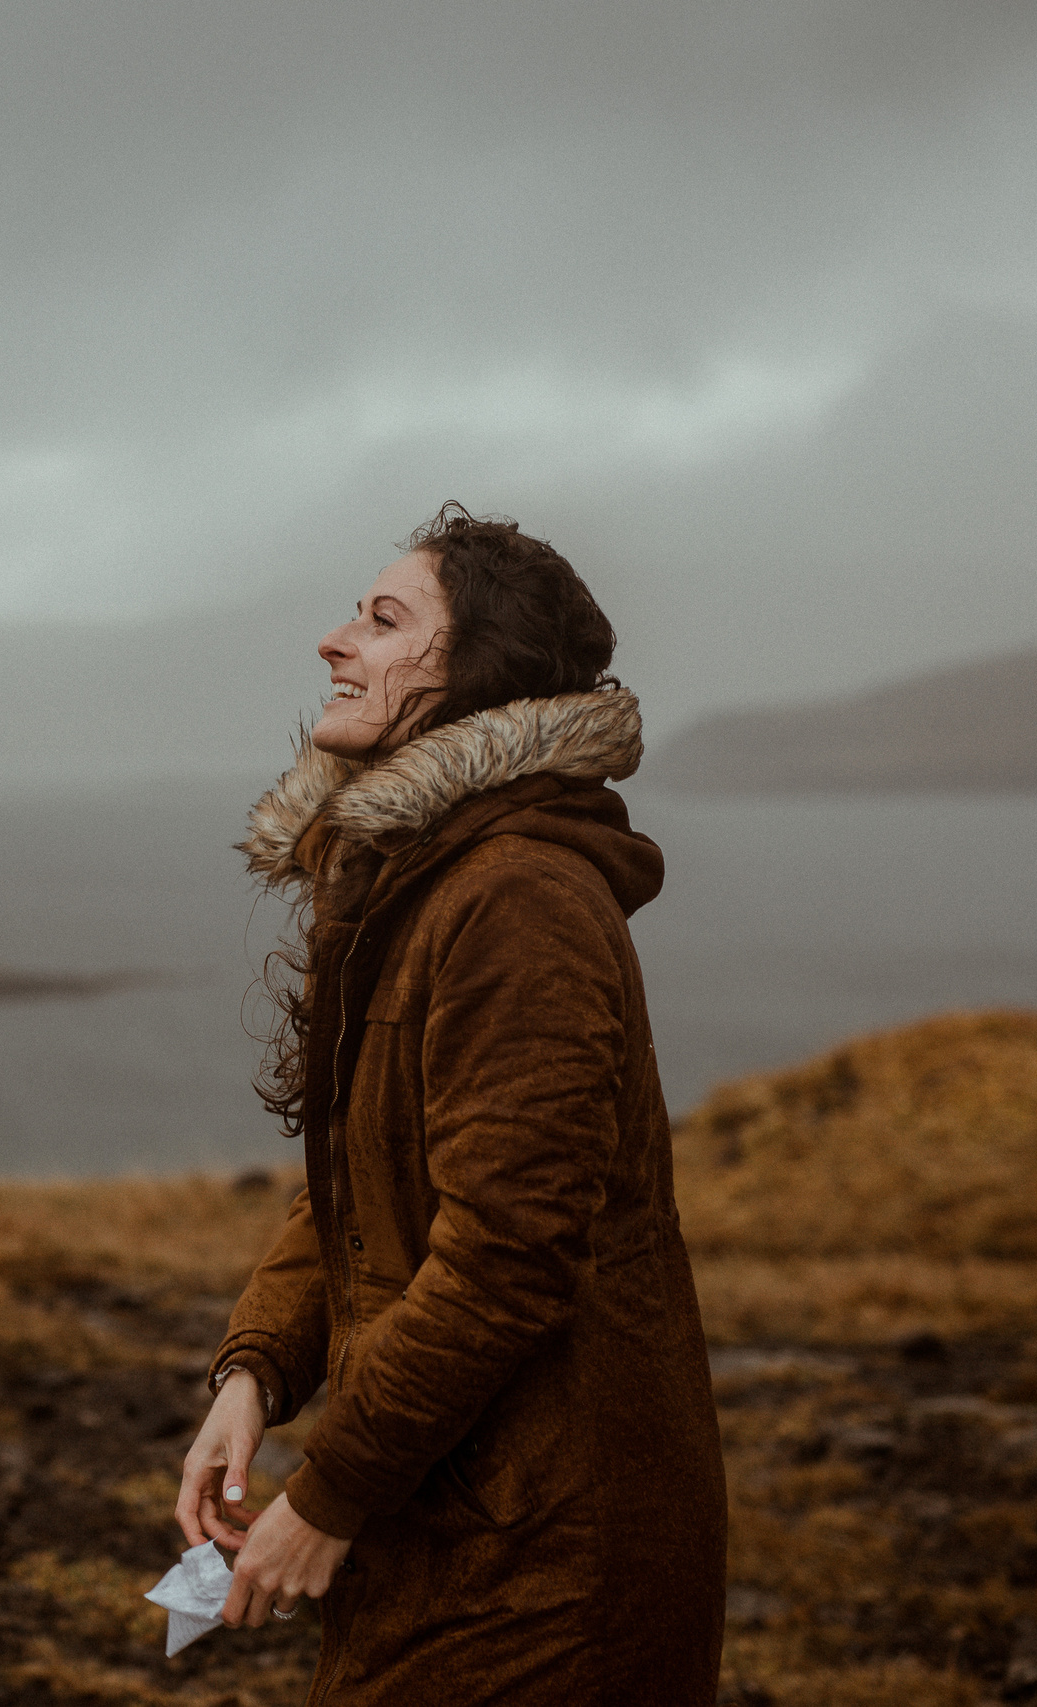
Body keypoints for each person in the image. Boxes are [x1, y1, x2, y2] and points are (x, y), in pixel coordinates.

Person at [173, 505, 726, 1703]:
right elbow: (363, 1185)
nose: (331, 641)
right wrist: (255, 1374)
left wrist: (327, 1494)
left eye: (381, 620)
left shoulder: (515, 899)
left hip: (550, 1560)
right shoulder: (421, 881)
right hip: (465, 1522)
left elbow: (509, 1255)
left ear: (473, 677)